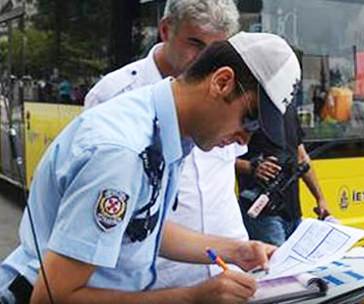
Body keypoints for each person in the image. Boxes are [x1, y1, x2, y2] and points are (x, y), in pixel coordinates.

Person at [0, 32, 301, 303]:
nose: (244, 142)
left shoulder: (161, 126)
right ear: (221, 82)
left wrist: (238, 251)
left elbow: (139, 225)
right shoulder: (122, 155)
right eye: (249, 121)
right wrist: (192, 298)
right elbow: (53, 296)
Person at [83, 0, 249, 288]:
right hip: (159, 281)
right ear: (165, 30)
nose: (204, 60)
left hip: (229, 269)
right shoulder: (114, 96)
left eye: (216, 50)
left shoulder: (227, 91)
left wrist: (238, 250)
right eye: (195, 43)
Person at [236, 101, 330, 246]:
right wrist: (251, 167)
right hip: (262, 213)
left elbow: (302, 158)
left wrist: (320, 199)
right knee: (274, 266)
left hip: (293, 212)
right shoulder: (249, 108)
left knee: (293, 265)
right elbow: (220, 159)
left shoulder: (288, 107)